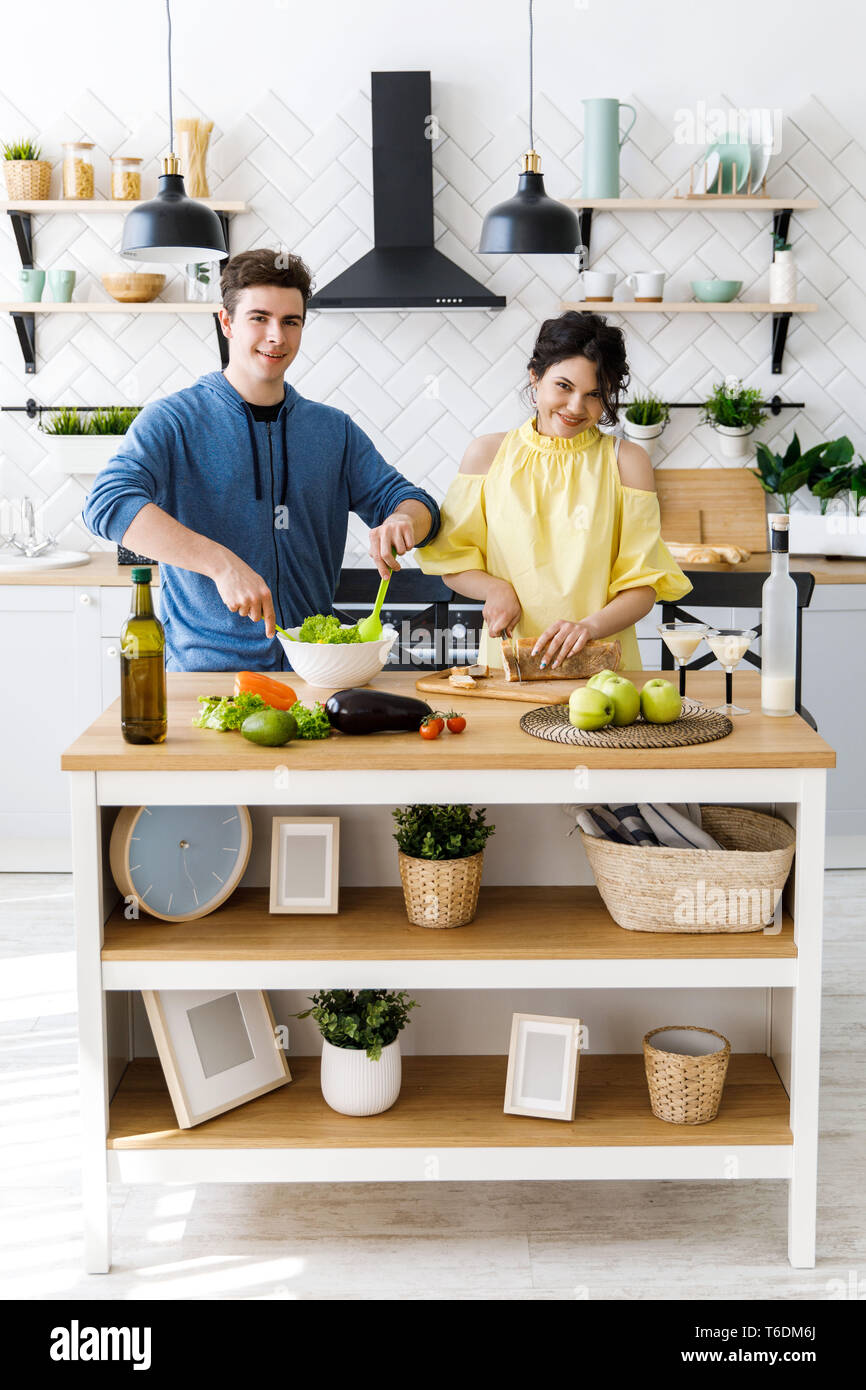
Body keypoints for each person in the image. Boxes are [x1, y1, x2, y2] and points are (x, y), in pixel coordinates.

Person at [83, 249, 440, 671]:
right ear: (227, 322)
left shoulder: (332, 430)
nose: (277, 336)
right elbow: (107, 503)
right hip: (207, 676)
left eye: (292, 322)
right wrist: (221, 564)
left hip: (313, 671)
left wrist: (404, 520)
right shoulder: (174, 421)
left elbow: (412, 502)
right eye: (260, 318)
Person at [417, 311, 692, 671]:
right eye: (564, 386)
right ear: (536, 378)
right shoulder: (487, 455)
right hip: (507, 665)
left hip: (602, 669)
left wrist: (588, 628)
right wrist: (496, 589)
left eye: (594, 394)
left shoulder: (629, 462)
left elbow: (642, 587)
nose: (576, 407)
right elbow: (453, 562)